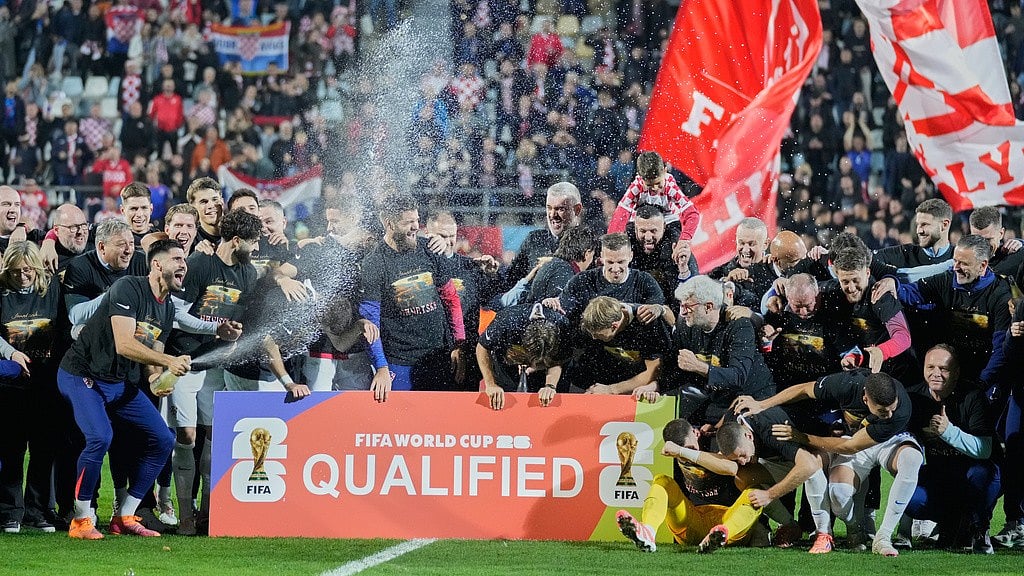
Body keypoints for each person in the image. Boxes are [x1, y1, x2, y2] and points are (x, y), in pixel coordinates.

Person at [56, 239, 189, 539]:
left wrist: (157, 378)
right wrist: (169, 361)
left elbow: (154, 347)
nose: (184, 264)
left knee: (163, 439)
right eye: (177, 259)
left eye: (185, 260)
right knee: (100, 437)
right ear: (157, 264)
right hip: (81, 375)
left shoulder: (167, 306)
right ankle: (80, 520)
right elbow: (125, 343)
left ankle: (125, 515)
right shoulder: (128, 287)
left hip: (117, 383)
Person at [734, 370, 922, 557]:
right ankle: (854, 528)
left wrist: (803, 438)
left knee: (911, 459)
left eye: (891, 407)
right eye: (882, 411)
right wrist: (761, 404)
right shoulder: (847, 384)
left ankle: (884, 537)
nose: (889, 414)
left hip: (888, 442)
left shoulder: (900, 411)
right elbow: (804, 389)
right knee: (839, 496)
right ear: (865, 399)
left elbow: (850, 446)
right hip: (854, 440)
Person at [616, 411, 831, 553]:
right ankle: (648, 532)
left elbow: (732, 468)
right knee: (661, 480)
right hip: (693, 520)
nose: (687, 455)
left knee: (752, 489)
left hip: (729, 519)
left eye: (691, 448)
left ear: (696, 432)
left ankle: (721, 536)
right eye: (683, 452)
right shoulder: (675, 453)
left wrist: (682, 452)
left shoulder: (715, 442)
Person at [167, 209, 258, 536]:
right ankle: (184, 513)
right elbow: (174, 315)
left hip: (215, 366)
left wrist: (234, 333)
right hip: (185, 361)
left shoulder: (248, 273)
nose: (256, 247)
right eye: (252, 241)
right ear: (236, 241)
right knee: (186, 437)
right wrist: (215, 329)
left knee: (212, 440)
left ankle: (207, 513)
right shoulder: (200, 265)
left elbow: (240, 318)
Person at [359, 194, 466, 398]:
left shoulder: (430, 249)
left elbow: (451, 299)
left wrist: (459, 344)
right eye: (408, 222)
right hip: (399, 362)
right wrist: (381, 367)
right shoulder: (374, 264)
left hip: (439, 355)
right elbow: (371, 322)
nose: (416, 226)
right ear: (389, 223)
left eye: (417, 220)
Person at [873, 234, 1012, 388]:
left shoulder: (1000, 294)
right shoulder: (946, 280)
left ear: (983, 266)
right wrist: (893, 283)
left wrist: (982, 382)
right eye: (955, 261)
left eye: (964, 264)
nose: (956, 268)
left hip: (984, 375)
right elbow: (912, 294)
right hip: (948, 371)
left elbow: (1001, 347)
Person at [637, 275, 774, 427]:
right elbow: (676, 368)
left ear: (708, 306)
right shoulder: (686, 325)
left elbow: (738, 376)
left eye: (687, 307)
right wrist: (656, 386)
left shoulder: (739, 326)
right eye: (681, 305)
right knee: (660, 411)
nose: (682, 313)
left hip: (751, 398)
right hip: (715, 396)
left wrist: (698, 366)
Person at [904, 344, 998, 553]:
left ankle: (979, 527)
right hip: (940, 474)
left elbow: (985, 450)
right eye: (931, 367)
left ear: (956, 373)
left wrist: (948, 432)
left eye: (944, 369)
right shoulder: (913, 397)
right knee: (911, 498)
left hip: (974, 473)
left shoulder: (973, 397)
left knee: (983, 474)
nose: (936, 373)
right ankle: (951, 522)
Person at [0, 243, 65, 534]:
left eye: (27, 270)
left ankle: (38, 510)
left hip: (46, 382)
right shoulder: (1, 292)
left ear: (36, 269)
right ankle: (9, 511)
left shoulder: (52, 288)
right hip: (10, 384)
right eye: (15, 272)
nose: (22, 276)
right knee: (11, 448)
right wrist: (10, 353)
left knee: (44, 449)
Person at [424, 211, 503, 390]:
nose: (449, 241)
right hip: (429, 354)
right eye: (442, 236)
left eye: (452, 235)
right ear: (427, 234)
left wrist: (493, 276)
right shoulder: (420, 264)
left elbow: (495, 300)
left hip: (465, 354)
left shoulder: (471, 266)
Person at [544, 232, 665, 324]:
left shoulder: (644, 281)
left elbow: (660, 311)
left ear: (631, 256)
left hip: (631, 347)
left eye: (621, 262)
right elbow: (563, 308)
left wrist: (658, 309)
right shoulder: (582, 280)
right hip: (591, 347)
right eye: (610, 262)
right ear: (601, 257)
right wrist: (553, 304)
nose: (616, 268)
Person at [478, 302, 571, 409]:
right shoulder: (506, 321)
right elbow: (482, 347)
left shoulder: (562, 326)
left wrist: (550, 386)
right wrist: (491, 384)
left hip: (541, 368)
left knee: (545, 399)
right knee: (505, 396)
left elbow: (557, 361)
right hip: (506, 360)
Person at [575, 296, 672, 395]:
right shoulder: (596, 321)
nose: (594, 338)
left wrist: (611, 390)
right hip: (615, 376)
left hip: (647, 386)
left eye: (598, 335)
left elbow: (652, 374)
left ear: (614, 326)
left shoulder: (647, 322)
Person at [607, 151, 700, 250]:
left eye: (658, 183)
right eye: (649, 185)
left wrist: (684, 239)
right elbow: (620, 215)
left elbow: (692, 214)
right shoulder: (636, 187)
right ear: (641, 178)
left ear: (665, 171)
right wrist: (611, 246)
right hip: (641, 225)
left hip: (667, 224)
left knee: (678, 249)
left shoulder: (671, 187)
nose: (655, 188)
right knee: (625, 245)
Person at [503, 182, 583, 289]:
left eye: (560, 209)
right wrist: (492, 273)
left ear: (577, 210)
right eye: (549, 208)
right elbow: (510, 280)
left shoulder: (589, 245)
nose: (552, 215)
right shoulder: (534, 239)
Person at [628, 204, 696, 307]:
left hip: (671, 307)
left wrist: (684, 269)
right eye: (642, 231)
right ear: (635, 228)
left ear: (664, 227)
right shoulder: (626, 244)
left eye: (653, 231)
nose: (648, 237)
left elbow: (694, 290)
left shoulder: (676, 246)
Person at [522, 225, 596, 303]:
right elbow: (560, 308)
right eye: (593, 255)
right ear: (587, 253)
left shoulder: (557, 264)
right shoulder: (563, 272)